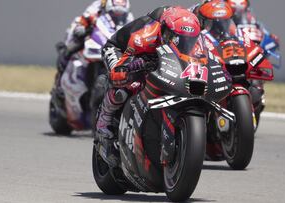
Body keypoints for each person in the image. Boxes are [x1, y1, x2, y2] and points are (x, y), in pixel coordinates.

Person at [96, 6, 202, 166]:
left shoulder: (194, 39)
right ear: (165, 31)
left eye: (189, 40)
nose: (184, 43)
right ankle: (103, 124)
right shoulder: (145, 35)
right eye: (176, 38)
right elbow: (125, 62)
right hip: (122, 50)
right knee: (124, 83)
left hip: (158, 56)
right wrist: (124, 69)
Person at [54, 0, 134, 99]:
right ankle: (59, 83)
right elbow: (84, 18)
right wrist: (81, 27)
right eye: (114, 13)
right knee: (72, 46)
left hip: (115, 42)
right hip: (95, 36)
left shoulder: (128, 15)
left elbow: (133, 28)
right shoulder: (98, 5)